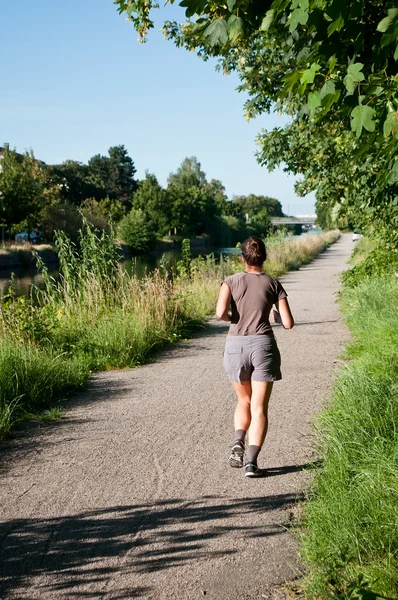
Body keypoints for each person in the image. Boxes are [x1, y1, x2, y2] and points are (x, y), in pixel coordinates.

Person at [216, 236, 294, 478]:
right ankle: (251, 463)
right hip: (263, 346)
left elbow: (220, 313)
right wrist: (278, 319)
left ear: (242, 258)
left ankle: (238, 439)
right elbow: (289, 323)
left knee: (243, 401)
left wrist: (233, 319)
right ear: (264, 258)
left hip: (235, 346)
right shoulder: (274, 283)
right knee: (260, 407)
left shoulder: (230, 281)